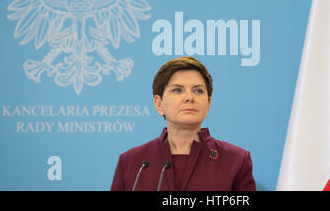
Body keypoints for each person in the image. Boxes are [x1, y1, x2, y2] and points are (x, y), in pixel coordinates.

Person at [110, 56, 256, 191]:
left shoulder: (236, 160)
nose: (189, 98)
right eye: (178, 90)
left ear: (208, 103)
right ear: (159, 104)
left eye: (198, 91)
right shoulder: (132, 162)